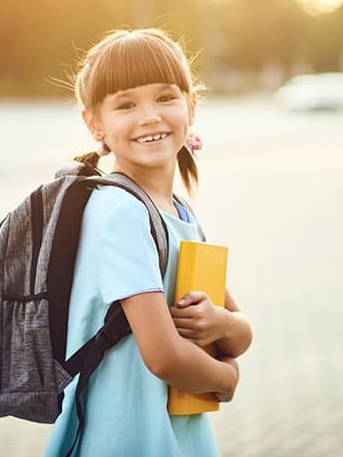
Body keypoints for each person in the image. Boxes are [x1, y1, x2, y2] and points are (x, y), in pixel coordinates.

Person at [44, 28, 252, 457]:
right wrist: (227, 379)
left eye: (165, 97)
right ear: (94, 123)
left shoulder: (180, 212)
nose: (149, 116)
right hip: (128, 433)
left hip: (176, 430)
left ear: (191, 105)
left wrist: (221, 324)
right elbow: (164, 356)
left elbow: (239, 330)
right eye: (125, 104)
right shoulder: (121, 213)